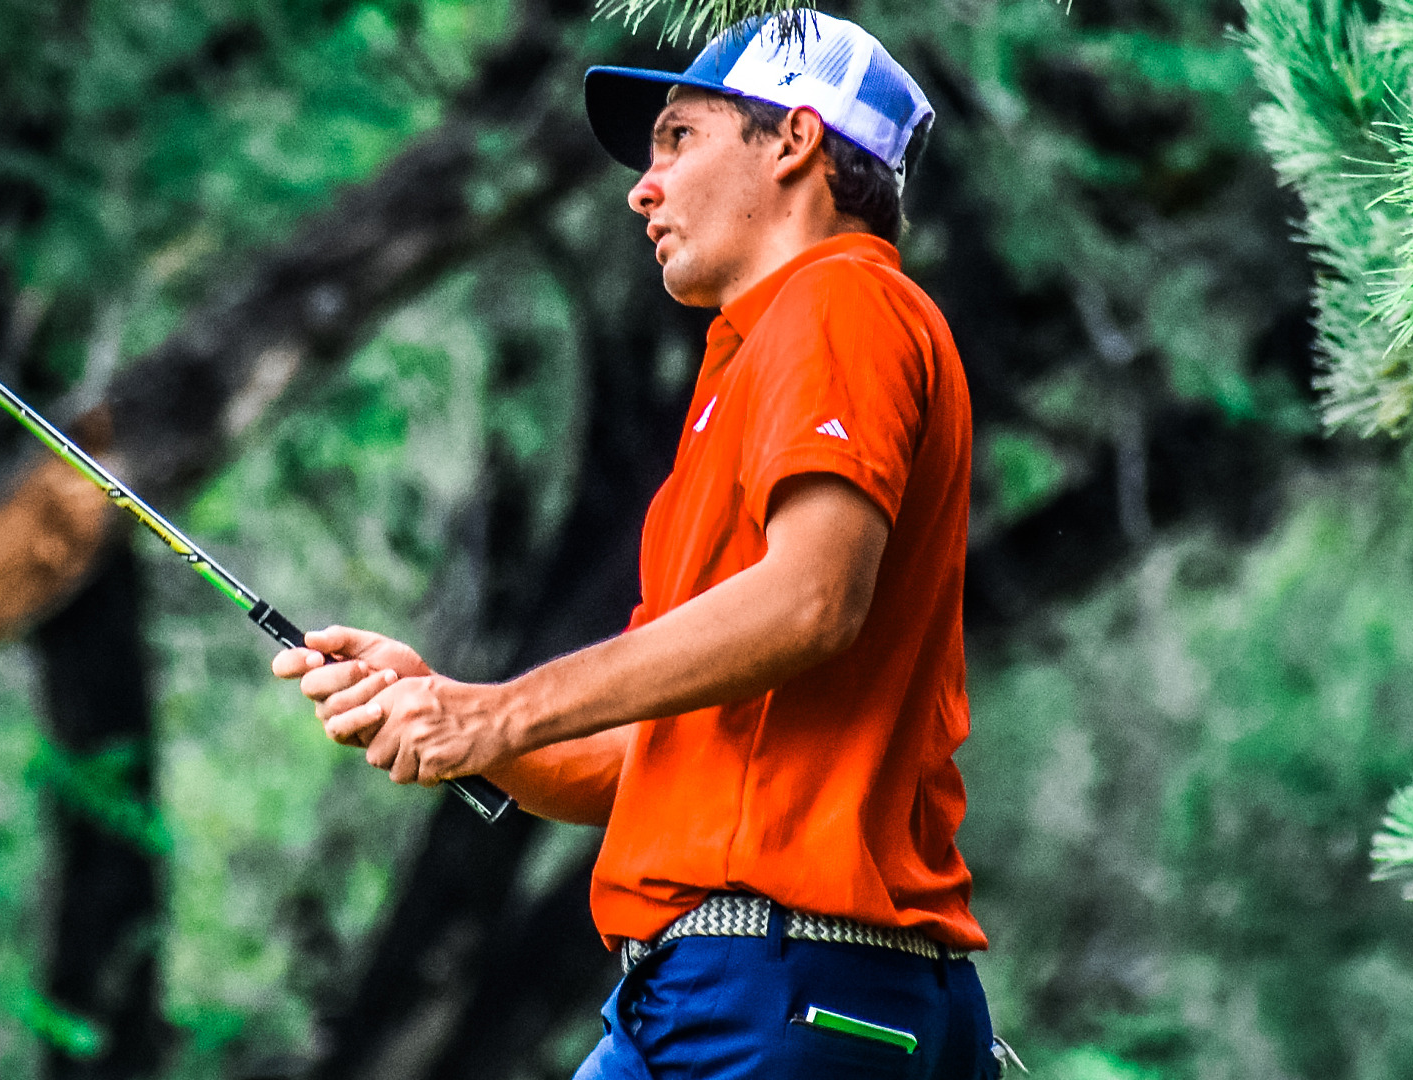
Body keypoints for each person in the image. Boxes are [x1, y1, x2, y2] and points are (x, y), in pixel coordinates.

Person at [275, 10, 1008, 1077]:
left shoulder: (841, 300)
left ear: (794, 142)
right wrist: (453, 714)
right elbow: (641, 758)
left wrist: (499, 710)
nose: (641, 186)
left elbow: (812, 602)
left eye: (678, 138)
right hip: (728, 993)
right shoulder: (755, 364)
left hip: (788, 993)